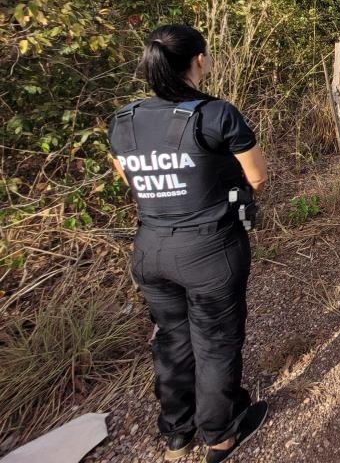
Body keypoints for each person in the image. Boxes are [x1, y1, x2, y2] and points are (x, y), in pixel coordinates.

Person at [107, 25, 269, 462]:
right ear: (199, 60)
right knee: (215, 342)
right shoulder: (217, 115)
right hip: (210, 250)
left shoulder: (123, 120)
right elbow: (257, 177)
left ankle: (177, 432)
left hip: (151, 248)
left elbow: (129, 180)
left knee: (172, 339)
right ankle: (220, 434)